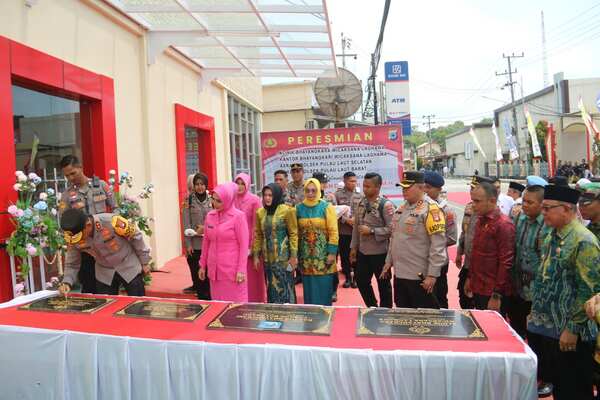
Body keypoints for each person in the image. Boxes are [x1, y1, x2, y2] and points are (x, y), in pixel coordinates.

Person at [527, 184, 600, 400]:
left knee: (574, 390)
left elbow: (589, 290)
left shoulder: (583, 241)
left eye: (548, 208)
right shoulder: (552, 234)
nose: (543, 212)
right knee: (560, 385)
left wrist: (573, 328)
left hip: (572, 333)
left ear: (567, 209)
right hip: (550, 328)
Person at [381, 171, 447, 309]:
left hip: (420, 277)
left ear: (421, 187)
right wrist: (388, 261)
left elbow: (438, 245)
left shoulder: (431, 209)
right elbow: (394, 237)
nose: (404, 190)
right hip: (400, 274)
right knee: (403, 312)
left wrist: (432, 275)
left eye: (408, 187)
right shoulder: (402, 208)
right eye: (402, 187)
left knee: (423, 316)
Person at [58, 208, 151, 297]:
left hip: (128, 266)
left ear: (88, 225)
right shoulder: (73, 237)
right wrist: (67, 282)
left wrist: (145, 262)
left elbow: (136, 236)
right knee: (106, 305)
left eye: (80, 236)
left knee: (138, 304)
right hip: (104, 272)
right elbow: (72, 263)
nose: (80, 240)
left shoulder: (112, 221)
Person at [59, 155, 115, 294]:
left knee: (109, 288)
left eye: (73, 173)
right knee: (89, 288)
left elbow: (116, 209)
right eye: (67, 176)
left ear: (80, 168)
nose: (70, 178)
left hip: (106, 244)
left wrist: (113, 228)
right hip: (86, 249)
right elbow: (65, 223)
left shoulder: (101, 185)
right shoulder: (67, 196)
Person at [464, 181, 515, 315]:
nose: (473, 205)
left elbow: (506, 262)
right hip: (478, 286)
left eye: (477, 201)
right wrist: (470, 278)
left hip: (492, 291)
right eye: (473, 200)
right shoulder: (481, 220)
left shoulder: (503, 225)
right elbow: (476, 253)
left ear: (492, 201)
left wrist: (496, 295)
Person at [507, 183, 551, 338]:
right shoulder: (519, 218)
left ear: (542, 204)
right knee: (515, 330)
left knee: (535, 336)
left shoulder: (548, 225)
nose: (525, 205)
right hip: (517, 287)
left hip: (537, 294)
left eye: (530, 202)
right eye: (524, 200)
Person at [350, 172, 394, 308]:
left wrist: (372, 231)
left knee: (383, 285)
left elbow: (392, 230)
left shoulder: (385, 205)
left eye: (368, 186)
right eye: (364, 185)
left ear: (378, 187)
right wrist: (353, 248)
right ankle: (372, 306)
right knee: (361, 281)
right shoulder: (361, 203)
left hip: (380, 253)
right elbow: (356, 227)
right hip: (363, 252)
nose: (365, 189)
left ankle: (385, 311)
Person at [199, 183, 249, 302]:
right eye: (213, 199)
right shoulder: (210, 216)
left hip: (232, 272)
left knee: (235, 306)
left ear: (228, 200)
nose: (215, 203)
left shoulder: (238, 217)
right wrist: (202, 265)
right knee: (218, 305)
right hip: (214, 272)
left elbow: (244, 246)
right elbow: (206, 242)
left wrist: (241, 270)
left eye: (219, 201)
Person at [252, 183, 298, 304]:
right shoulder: (260, 212)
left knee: (286, 287)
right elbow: (258, 235)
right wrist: (256, 255)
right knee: (271, 288)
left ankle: (289, 314)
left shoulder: (287, 210)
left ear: (276, 196)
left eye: (270, 195)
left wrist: (293, 256)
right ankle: (274, 313)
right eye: (265, 195)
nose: (267, 198)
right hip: (268, 259)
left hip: (284, 259)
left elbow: (293, 234)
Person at [296, 178, 339, 306]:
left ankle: (325, 315)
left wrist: (332, 253)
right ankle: (311, 316)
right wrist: (296, 254)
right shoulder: (298, 208)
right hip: (306, 257)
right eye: (307, 191)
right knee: (309, 290)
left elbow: (333, 232)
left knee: (323, 289)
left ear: (319, 190)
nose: (310, 194)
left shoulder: (326, 207)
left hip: (323, 256)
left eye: (314, 191)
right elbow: (296, 233)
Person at [455, 176, 494, 309]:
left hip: (484, 269)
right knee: (464, 299)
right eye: (471, 187)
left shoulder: (492, 212)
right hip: (468, 263)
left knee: (481, 305)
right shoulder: (469, 207)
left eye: (475, 188)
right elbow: (464, 232)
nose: (471, 190)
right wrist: (459, 252)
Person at [424, 171, 457, 308]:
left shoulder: (446, 210)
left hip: (439, 262)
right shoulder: (416, 207)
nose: (425, 191)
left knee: (439, 297)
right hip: (420, 261)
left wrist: (432, 242)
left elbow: (452, 238)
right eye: (423, 187)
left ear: (439, 189)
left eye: (429, 187)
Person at [233, 173, 264, 303]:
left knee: (253, 277)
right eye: (237, 183)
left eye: (242, 183)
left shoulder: (254, 200)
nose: (240, 186)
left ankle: (256, 301)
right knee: (239, 276)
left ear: (247, 184)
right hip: (236, 244)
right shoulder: (232, 199)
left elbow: (257, 225)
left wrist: (253, 246)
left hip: (251, 244)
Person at [182, 172, 212, 300]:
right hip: (195, 244)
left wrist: (205, 229)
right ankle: (202, 299)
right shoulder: (188, 200)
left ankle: (210, 299)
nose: (200, 187)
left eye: (202, 184)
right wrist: (188, 244)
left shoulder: (212, 199)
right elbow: (186, 223)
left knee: (209, 274)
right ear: (193, 186)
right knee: (198, 274)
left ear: (206, 185)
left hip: (210, 243)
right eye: (197, 184)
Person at [335, 171, 362, 289]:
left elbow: (363, 210)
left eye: (355, 181)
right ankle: (347, 278)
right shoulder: (337, 195)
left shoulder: (360, 195)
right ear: (345, 181)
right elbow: (334, 212)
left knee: (357, 255)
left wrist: (356, 219)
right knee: (345, 255)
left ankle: (356, 278)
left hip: (356, 232)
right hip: (344, 231)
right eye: (351, 181)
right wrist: (346, 220)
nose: (354, 183)